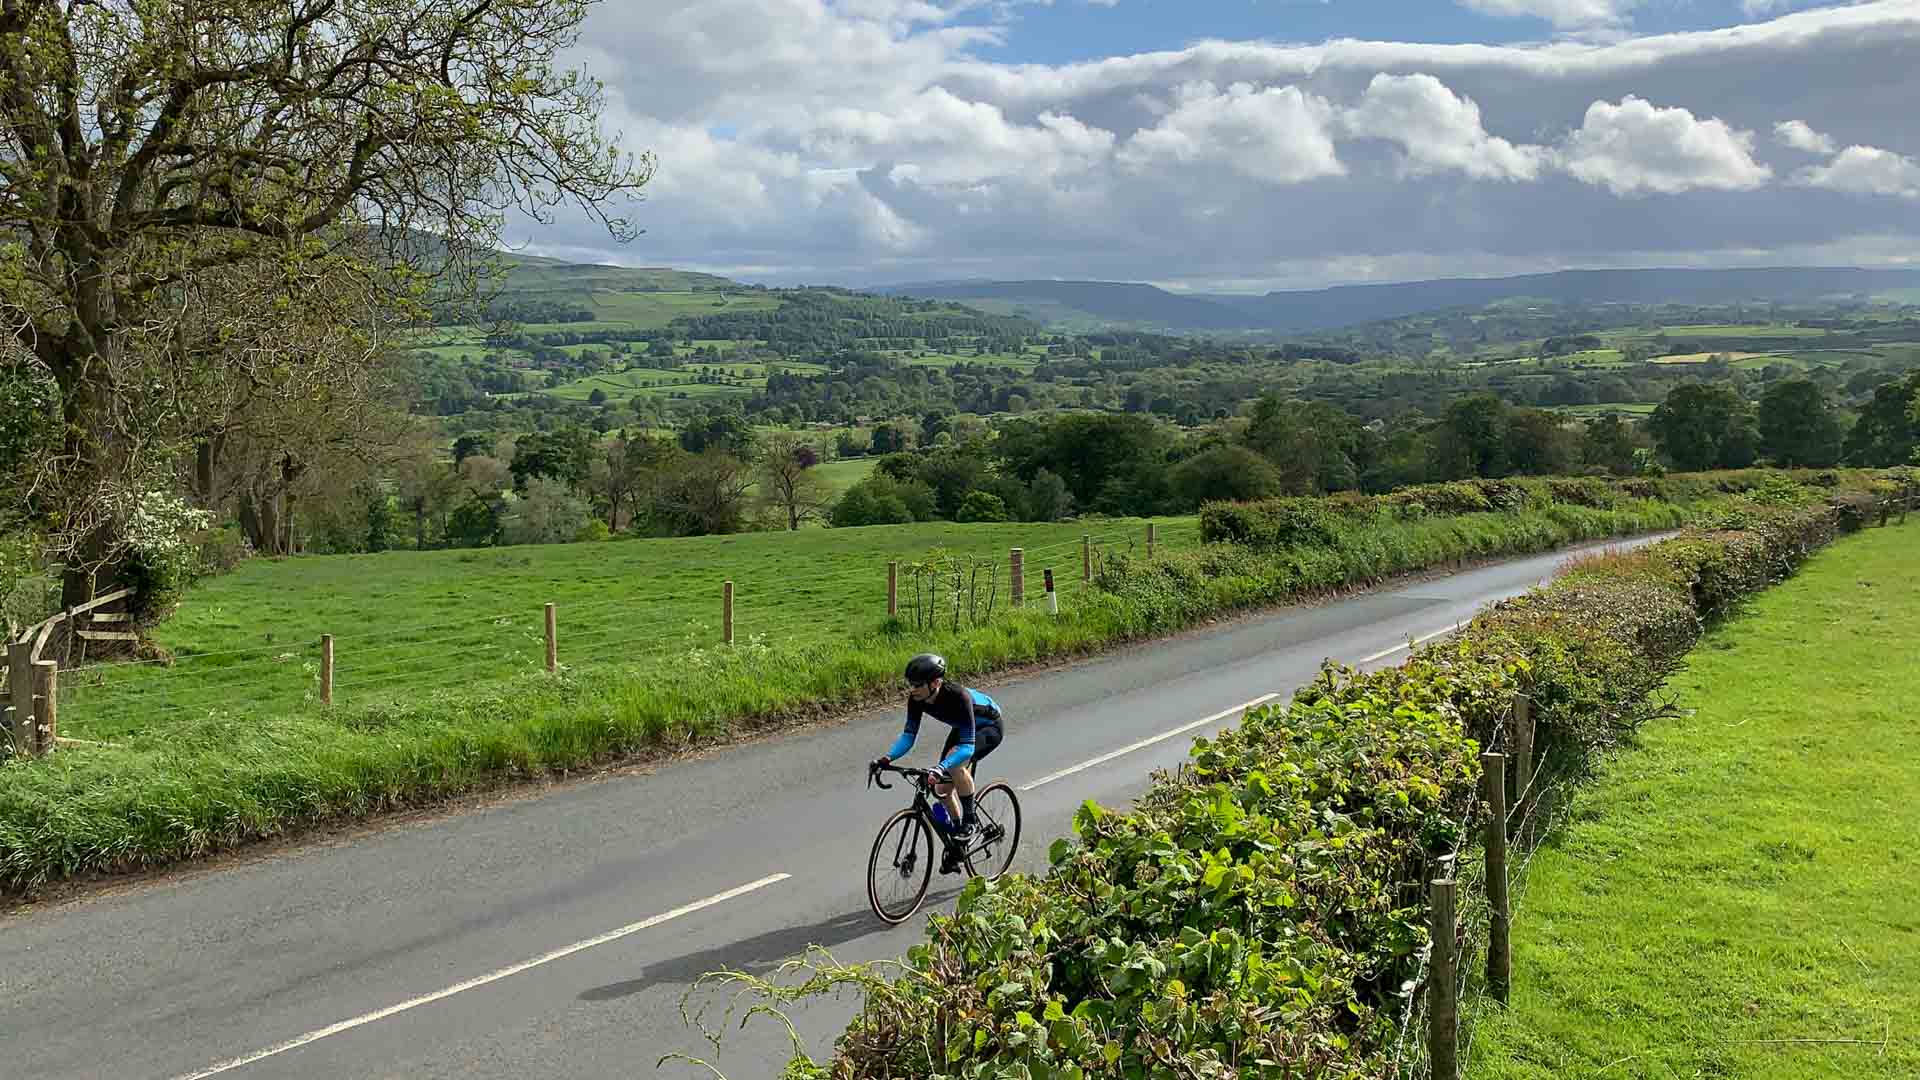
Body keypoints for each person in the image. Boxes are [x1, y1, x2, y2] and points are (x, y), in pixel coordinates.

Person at [871, 652, 1004, 874]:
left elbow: (968, 747)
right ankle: (957, 839)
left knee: (953, 764)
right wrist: (887, 758)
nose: (912, 689)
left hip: (988, 726)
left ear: (936, 682)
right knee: (941, 788)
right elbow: (908, 736)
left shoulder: (958, 697)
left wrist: (941, 766)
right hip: (962, 727)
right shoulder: (917, 699)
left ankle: (970, 821)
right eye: (909, 684)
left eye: (917, 684)